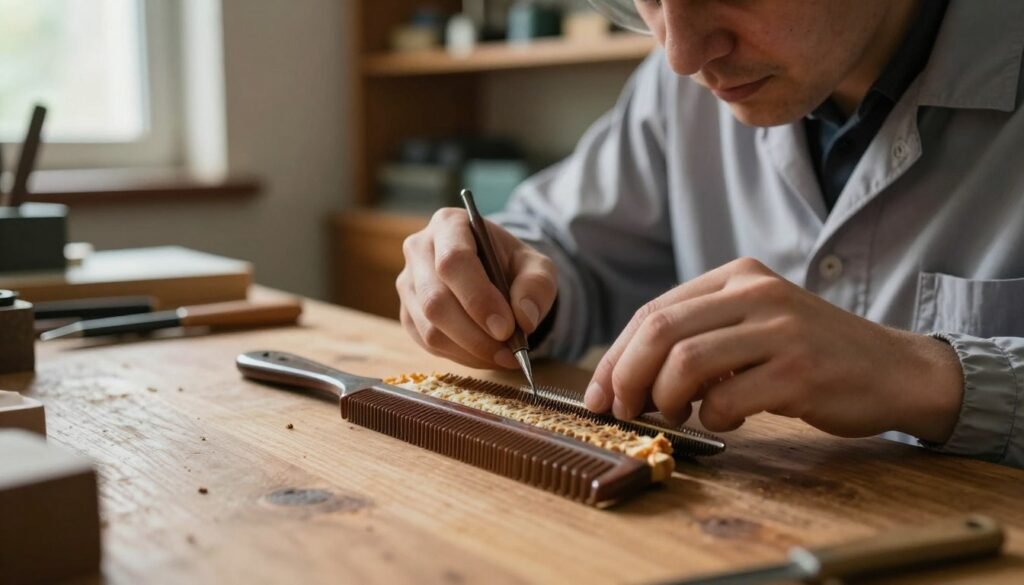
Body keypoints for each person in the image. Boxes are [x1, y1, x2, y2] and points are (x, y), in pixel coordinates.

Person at [396, 0, 1024, 468]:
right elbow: (562, 245)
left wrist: (925, 376)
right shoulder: (677, 89)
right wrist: (503, 278)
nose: (682, 56)